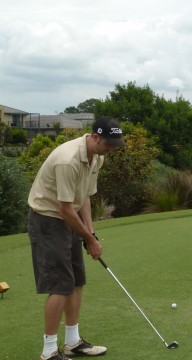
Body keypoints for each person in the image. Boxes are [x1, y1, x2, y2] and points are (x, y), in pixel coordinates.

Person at [28, 116, 126, 360]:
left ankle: (73, 342)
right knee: (60, 283)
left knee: (76, 280)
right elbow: (64, 209)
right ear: (95, 137)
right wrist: (90, 240)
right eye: (108, 143)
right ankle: (49, 351)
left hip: (68, 217)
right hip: (48, 219)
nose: (111, 149)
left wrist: (90, 234)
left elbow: (84, 198)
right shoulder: (68, 160)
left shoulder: (98, 157)